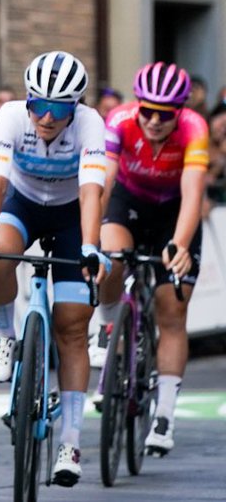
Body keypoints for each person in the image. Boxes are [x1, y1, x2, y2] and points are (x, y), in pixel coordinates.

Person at [0, 51, 110, 487]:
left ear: (76, 107)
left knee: (71, 327)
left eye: (59, 108)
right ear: (27, 100)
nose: (46, 117)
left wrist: (89, 247)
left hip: (70, 215)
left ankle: (70, 441)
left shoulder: (90, 125)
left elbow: (90, 193)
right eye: (38, 105)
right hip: (24, 205)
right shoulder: (9, 116)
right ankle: (5, 338)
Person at [93, 62, 208, 456]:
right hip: (128, 203)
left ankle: (165, 414)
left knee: (171, 310)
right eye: (148, 111)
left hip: (172, 212)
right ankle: (108, 330)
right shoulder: (120, 120)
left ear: (180, 112)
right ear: (136, 104)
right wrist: (89, 235)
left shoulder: (195, 128)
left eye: (165, 115)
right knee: (109, 260)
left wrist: (178, 244)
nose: (155, 121)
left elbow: (193, 193)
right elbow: (105, 180)